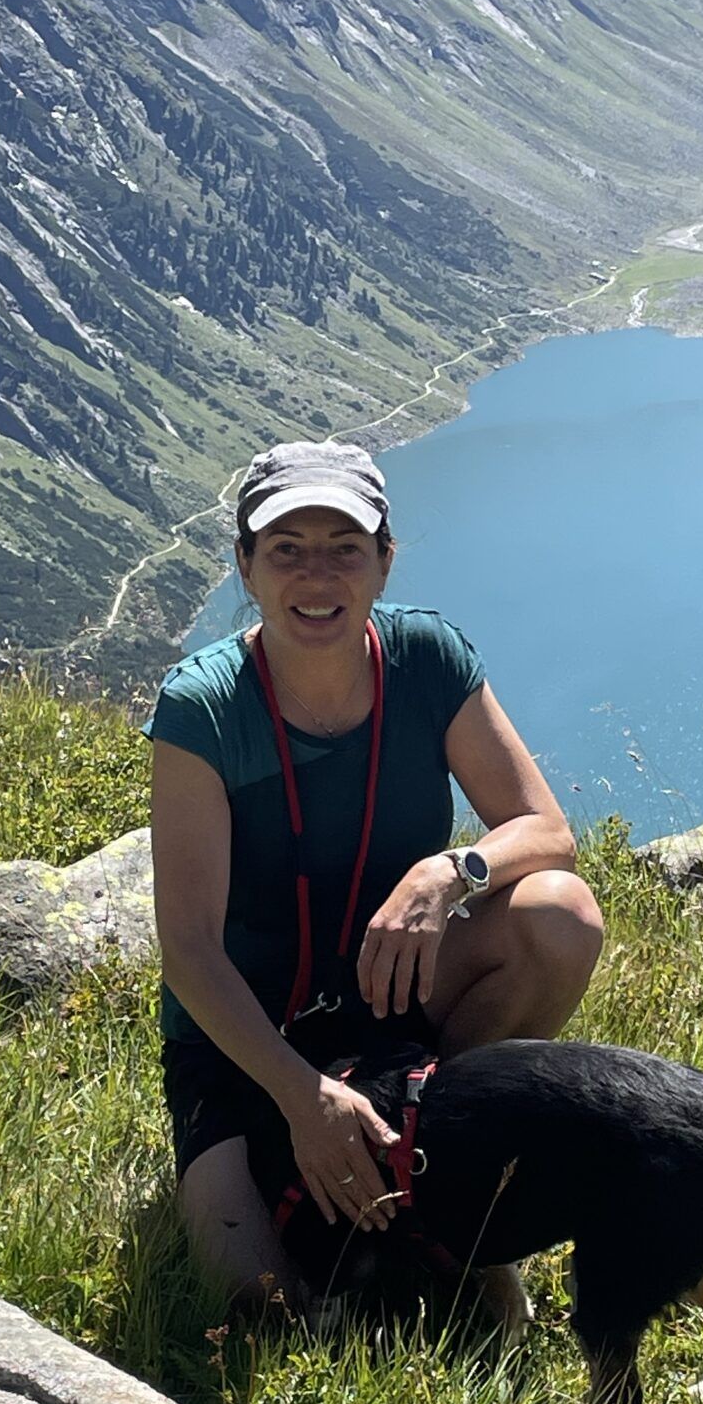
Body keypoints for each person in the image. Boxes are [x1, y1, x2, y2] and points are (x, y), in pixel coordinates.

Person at [148, 439, 604, 1313]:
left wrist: (450, 870)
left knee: (560, 914)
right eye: (286, 550)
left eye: (344, 549)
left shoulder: (427, 662)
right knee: (262, 1310)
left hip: (390, 999)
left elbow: (546, 832)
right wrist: (301, 1095)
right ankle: (374, 1179)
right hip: (242, 1043)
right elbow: (191, 952)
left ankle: (449, 1151)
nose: (316, 576)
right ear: (246, 565)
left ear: (384, 562)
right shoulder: (203, 709)